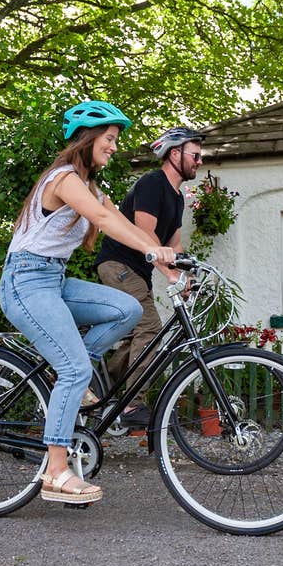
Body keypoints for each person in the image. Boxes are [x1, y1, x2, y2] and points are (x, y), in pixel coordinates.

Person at [0, 100, 177, 505]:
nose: (114, 147)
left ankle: (64, 377)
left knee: (127, 310)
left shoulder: (92, 187)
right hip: (25, 281)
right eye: (110, 139)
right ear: (88, 138)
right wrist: (155, 254)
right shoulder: (63, 179)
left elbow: (127, 226)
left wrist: (171, 267)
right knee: (77, 368)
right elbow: (104, 221)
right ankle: (56, 472)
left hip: (53, 279)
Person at [94, 127, 205, 426]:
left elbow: (174, 243)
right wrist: (169, 274)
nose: (199, 161)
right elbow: (145, 231)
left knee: (139, 335)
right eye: (195, 155)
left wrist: (186, 278)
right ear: (175, 154)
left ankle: (99, 383)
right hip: (118, 264)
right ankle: (131, 406)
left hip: (136, 271)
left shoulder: (177, 197)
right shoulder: (153, 182)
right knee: (151, 326)